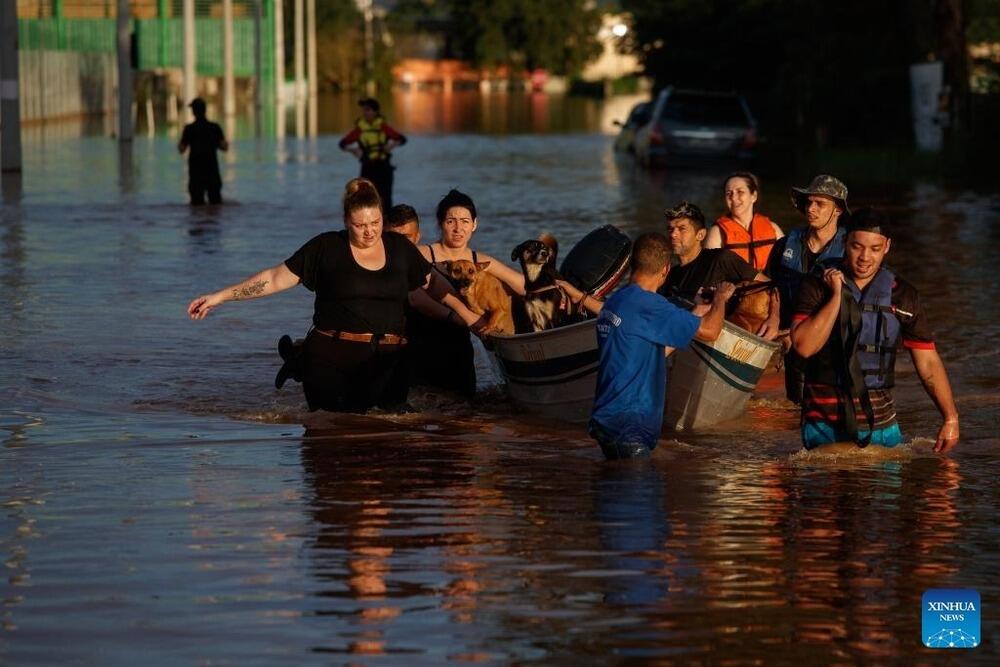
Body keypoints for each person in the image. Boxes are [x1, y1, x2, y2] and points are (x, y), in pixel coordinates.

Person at [187, 178, 481, 413]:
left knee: (392, 451)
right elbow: (274, 278)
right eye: (360, 225)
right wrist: (220, 296)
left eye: (375, 223)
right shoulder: (326, 248)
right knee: (334, 445)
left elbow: (433, 284)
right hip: (332, 365)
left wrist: (469, 317)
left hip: (389, 365)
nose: (369, 232)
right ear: (345, 221)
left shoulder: (400, 248)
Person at [790, 208, 959, 453]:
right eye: (857, 247)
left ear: (887, 246)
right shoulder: (816, 284)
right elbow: (804, 346)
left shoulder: (903, 295)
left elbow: (929, 362)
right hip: (823, 425)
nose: (865, 257)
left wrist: (950, 418)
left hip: (883, 426)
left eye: (875, 249)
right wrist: (836, 296)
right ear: (844, 241)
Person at [589, 232, 735, 460]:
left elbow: (650, 352)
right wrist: (720, 299)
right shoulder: (650, 305)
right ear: (666, 269)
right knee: (640, 481)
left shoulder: (617, 300)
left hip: (609, 421)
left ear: (633, 264)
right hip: (629, 426)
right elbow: (711, 332)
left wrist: (697, 310)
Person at [767, 174, 850, 403]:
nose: (811, 208)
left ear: (838, 210)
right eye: (809, 202)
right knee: (797, 411)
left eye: (820, 204)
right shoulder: (784, 246)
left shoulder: (851, 252)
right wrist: (775, 319)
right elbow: (771, 288)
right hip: (793, 344)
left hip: (834, 349)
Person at [385, 203, 479, 396]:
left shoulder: (421, 261)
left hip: (452, 349)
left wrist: (470, 317)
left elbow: (434, 283)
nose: (399, 245)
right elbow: (415, 298)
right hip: (412, 348)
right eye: (392, 238)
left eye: (406, 238)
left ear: (417, 237)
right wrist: (457, 317)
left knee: (466, 407)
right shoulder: (377, 262)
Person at [658, 201, 780, 340]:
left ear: (700, 235)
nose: (673, 234)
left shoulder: (720, 259)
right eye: (670, 229)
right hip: (682, 340)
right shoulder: (668, 275)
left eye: (682, 229)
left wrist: (774, 319)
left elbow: (771, 286)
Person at [705, 171, 784, 272]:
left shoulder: (773, 228)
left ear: (754, 196)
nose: (733, 198)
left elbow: (789, 264)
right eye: (728, 193)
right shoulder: (716, 233)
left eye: (740, 192)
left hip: (770, 281)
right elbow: (710, 273)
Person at [338, 98, 407, 209]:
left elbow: (402, 139)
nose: (365, 112)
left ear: (375, 111)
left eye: (368, 110)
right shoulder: (360, 129)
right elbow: (342, 144)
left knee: (386, 198)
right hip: (368, 167)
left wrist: (391, 145)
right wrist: (354, 150)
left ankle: (386, 218)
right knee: (365, 198)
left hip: (384, 167)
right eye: (364, 110)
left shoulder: (383, 127)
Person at [178, 98, 228, 205]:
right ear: (205, 110)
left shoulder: (189, 129)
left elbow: (182, 149)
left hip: (196, 173)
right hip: (212, 171)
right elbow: (224, 147)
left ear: (193, 112)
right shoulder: (214, 127)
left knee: (196, 206)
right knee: (216, 205)